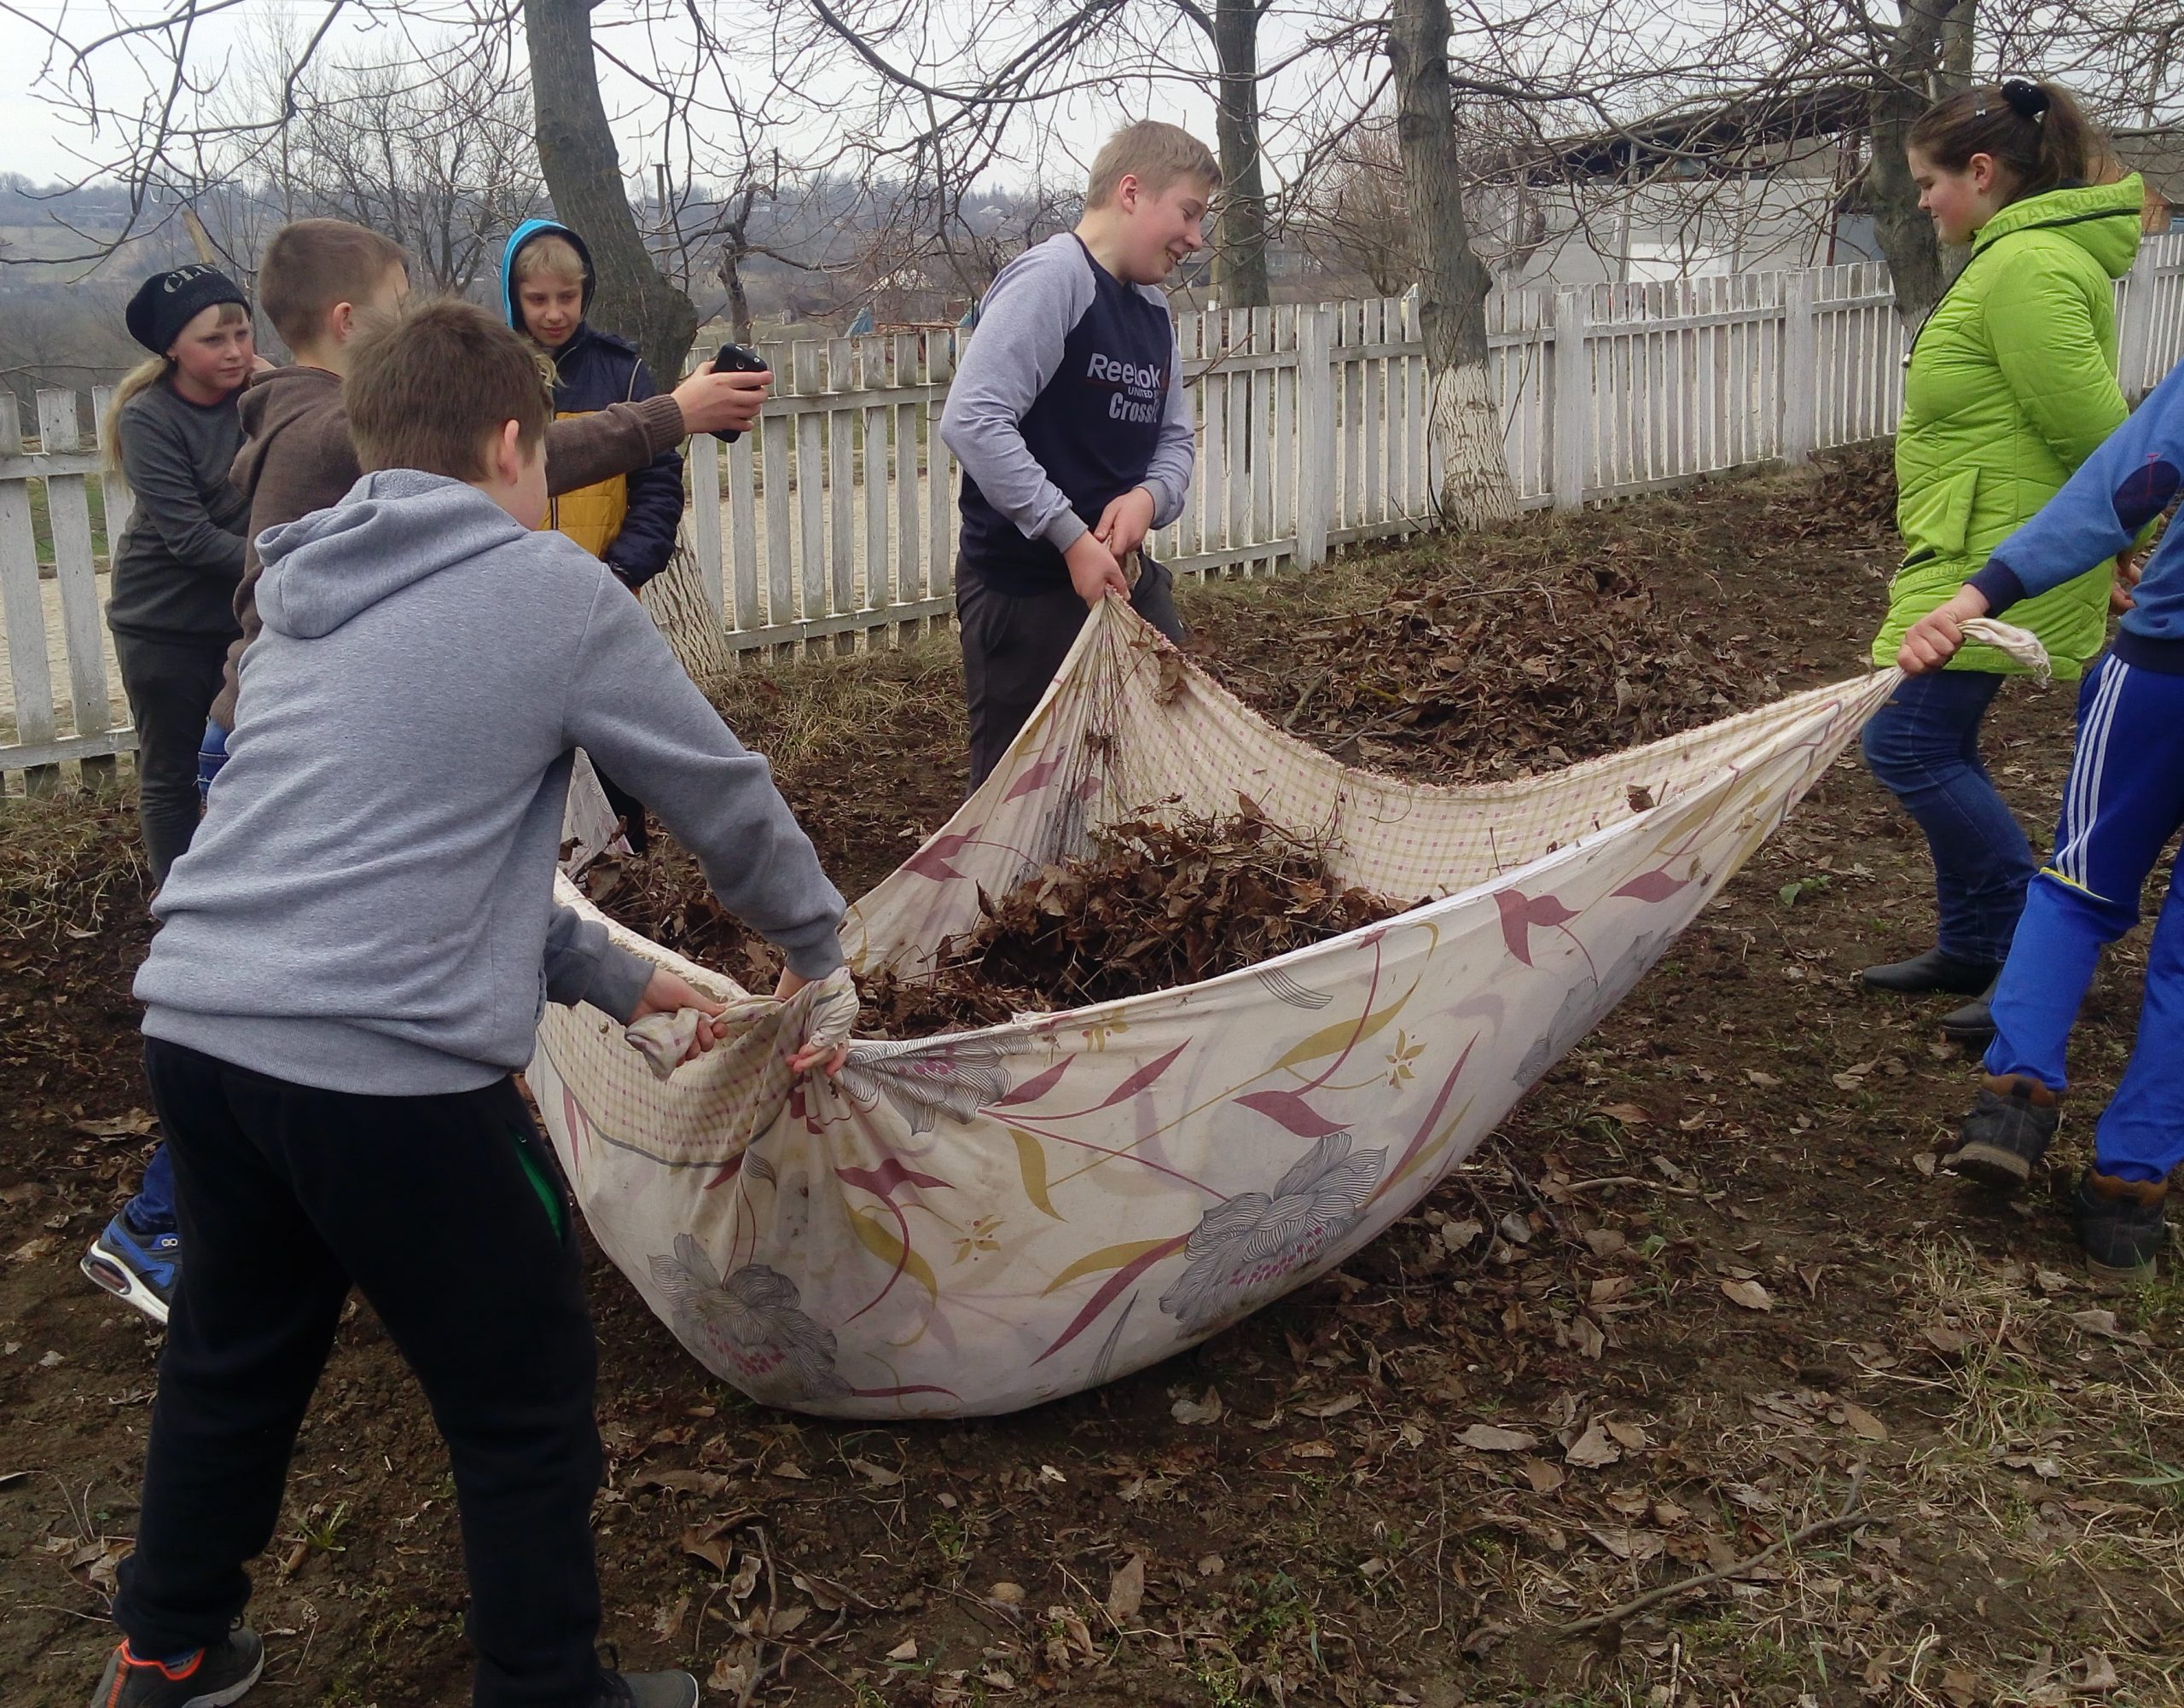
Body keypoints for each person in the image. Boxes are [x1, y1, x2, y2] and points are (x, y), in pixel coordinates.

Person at [89, 296, 851, 1708]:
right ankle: (546, 1688)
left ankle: (167, 1650)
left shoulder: (303, 600)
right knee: (521, 1393)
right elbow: (724, 800)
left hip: (200, 1032)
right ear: (519, 441)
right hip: (383, 1078)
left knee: (234, 1352)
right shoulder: (547, 587)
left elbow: (390, 857)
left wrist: (623, 975)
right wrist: (825, 943)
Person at [200, 218, 770, 758]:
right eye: (398, 306)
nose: (408, 321)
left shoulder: (312, 415)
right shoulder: (332, 434)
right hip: (276, 735)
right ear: (347, 322)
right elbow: (507, 464)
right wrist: (673, 412)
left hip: (272, 718)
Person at [1857, 79, 2146, 1046]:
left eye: (1927, 182)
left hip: (2002, 557)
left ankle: (2032, 949)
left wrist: (2121, 543)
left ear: (1982, 174)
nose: (1922, 201)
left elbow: (2108, 438)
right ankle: (1977, 943)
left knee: (1906, 743)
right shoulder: (2010, 258)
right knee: (1937, 743)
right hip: (1973, 540)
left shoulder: (2023, 265)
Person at [1897, 347, 2184, 1284]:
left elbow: (2123, 485)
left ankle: (2015, 1099)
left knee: (2077, 886)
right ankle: (2127, 1193)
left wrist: (1979, 593)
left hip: (2159, 678)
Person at [81, 264, 258, 1329]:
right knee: (168, 774)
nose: (235, 352)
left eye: (241, 331)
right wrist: (291, 551)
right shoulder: (151, 419)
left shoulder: (259, 393)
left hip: (237, 615)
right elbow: (189, 536)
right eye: (213, 339)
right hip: (163, 618)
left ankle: (219, 877)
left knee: (224, 764)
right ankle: (178, 894)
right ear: (172, 351)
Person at [939, 119, 1217, 788]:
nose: (1195, 238)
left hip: (1120, 584)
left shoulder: (1152, 309)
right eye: (1188, 212)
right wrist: (1069, 538)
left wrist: (1149, 497)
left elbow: (1175, 439)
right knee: (1020, 794)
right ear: (1131, 192)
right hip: (1025, 592)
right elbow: (973, 420)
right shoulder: (1053, 279)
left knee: (1157, 755)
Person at [503, 218, 687, 853]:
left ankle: (629, 862)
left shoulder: (626, 375)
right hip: (511, 606)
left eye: (567, 297)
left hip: (607, 597)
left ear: (586, 293)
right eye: (537, 299)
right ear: (513, 297)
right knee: (523, 747)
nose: (554, 313)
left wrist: (624, 570)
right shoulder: (488, 376)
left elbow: (659, 488)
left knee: (616, 746)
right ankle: (543, 866)